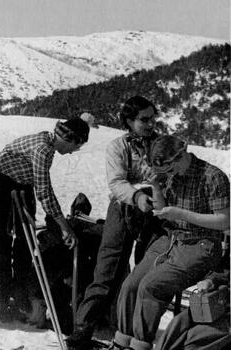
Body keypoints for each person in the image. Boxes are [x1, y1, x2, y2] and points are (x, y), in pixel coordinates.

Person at [111, 135, 229, 350]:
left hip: (201, 244)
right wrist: (156, 185)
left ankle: (139, 345)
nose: (169, 175)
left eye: (170, 169)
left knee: (151, 287)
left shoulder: (213, 177)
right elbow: (162, 211)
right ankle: (121, 343)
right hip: (171, 239)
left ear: (180, 155)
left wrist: (182, 214)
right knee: (130, 285)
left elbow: (224, 221)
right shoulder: (169, 175)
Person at [67, 96, 165, 349]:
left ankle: (135, 334)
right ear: (129, 121)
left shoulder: (161, 144)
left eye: (153, 118)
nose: (150, 123)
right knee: (107, 272)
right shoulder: (118, 146)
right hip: (124, 209)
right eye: (144, 119)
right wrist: (137, 195)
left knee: (148, 274)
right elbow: (116, 182)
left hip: (155, 214)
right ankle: (81, 332)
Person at [0, 116, 90, 322]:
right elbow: (44, 190)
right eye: (76, 146)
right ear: (70, 139)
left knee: (23, 244)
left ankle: (18, 294)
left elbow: (38, 182)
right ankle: (3, 301)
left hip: (18, 185)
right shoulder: (43, 149)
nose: (73, 151)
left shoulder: (49, 143)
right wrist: (64, 225)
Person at [154, 268, 230, 350]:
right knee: (179, 322)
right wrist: (211, 280)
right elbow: (224, 270)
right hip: (221, 302)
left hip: (227, 320)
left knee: (194, 337)